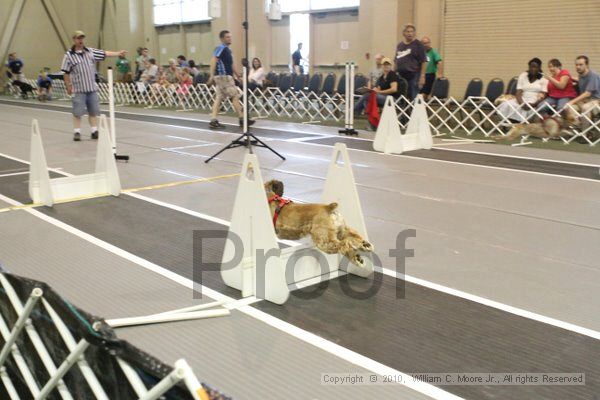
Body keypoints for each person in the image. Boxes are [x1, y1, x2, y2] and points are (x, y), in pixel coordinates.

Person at [60, 30, 126, 141]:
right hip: (79, 89)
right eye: (78, 38)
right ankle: (77, 132)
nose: (80, 40)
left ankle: (94, 131)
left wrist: (118, 53)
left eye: (82, 38)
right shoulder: (68, 55)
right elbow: (65, 72)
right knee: (77, 112)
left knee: (93, 111)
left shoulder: (90, 52)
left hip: (91, 88)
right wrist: (68, 86)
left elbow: (104, 53)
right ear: (74, 40)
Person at [208, 30, 253, 129]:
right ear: (222, 38)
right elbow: (214, 60)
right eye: (227, 37)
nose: (230, 38)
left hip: (224, 77)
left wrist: (238, 76)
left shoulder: (228, 50)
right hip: (223, 76)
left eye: (230, 37)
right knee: (235, 96)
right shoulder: (220, 48)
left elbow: (231, 64)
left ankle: (213, 120)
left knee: (219, 98)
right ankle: (242, 119)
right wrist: (211, 75)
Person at [496, 58, 548, 123]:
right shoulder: (523, 75)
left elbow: (543, 95)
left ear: (539, 67)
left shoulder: (544, 78)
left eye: (535, 67)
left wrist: (534, 104)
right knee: (506, 104)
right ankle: (512, 124)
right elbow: (518, 92)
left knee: (530, 110)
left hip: (534, 101)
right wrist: (521, 103)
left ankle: (522, 124)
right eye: (531, 67)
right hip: (521, 100)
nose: (533, 69)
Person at [568, 56, 600, 140]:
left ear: (587, 65)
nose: (578, 67)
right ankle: (582, 128)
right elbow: (580, 80)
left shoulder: (593, 75)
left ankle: (585, 135)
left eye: (581, 64)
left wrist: (572, 101)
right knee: (569, 108)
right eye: (576, 65)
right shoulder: (581, 75)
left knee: (585, 108)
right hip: (584, 101)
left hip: (596, 101)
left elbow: (587, 93)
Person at [395, 24, 427, 100]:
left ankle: (416, 111)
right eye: (408, 31)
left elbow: (424, 61)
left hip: (414, 75)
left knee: (413, 97)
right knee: (402, 97)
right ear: (404, 33)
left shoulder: (418, 45)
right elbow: (396, 60)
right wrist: (393, 74)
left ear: (414, 33)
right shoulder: (400, 45)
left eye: (412, 32)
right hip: (401, 76)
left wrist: (422, 76)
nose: (410, 33)